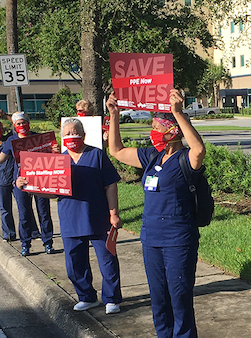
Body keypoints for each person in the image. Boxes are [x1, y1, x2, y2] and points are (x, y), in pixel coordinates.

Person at [106, 89, 205, 338]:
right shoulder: (152, 156)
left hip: (178, 240)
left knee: (180, 297)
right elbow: (116, 150)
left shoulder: (185, 159)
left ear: (172, 131)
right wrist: (115, 116)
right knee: (159, 299)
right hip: (151, 240)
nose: (152, 132)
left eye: (156, 127)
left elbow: (199, 149)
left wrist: (179, 113)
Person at [16, 118, 123, 314]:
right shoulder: (58, 162)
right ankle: (86, 297)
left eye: (75, 132)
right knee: (74, 262)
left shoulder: (97, 155)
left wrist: (113, 213)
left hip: (98, 217)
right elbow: (49, 191)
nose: (71, 136)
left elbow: (111, 185)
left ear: (83, 135)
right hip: (70, 218)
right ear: (61, 137)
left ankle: (112, 298)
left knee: (107, 260)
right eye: (67, 133)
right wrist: (27, 186)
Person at [0, 112, 55, 257]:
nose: (22, 126)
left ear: (29, 123)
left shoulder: (38, 138)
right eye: (18, 123)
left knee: (44, 212)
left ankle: (48, 243)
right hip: (21, 182)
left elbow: (51, 157)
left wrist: (55, 152)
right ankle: (25, 245)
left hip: (40, 181)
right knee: (24, 213)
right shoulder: (11, 140)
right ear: (15, 126)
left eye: (24, 122)